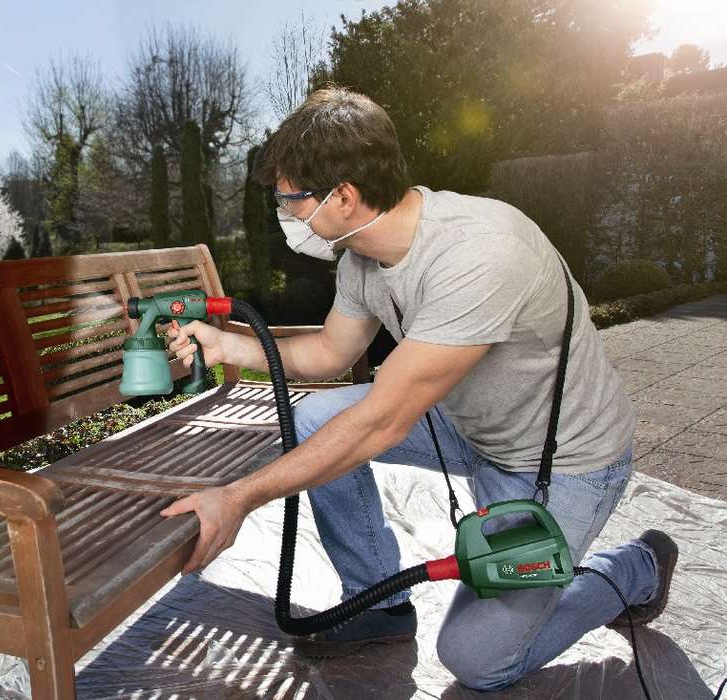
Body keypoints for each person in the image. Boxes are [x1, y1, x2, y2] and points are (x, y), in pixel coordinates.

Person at [158, 87, 678, 691]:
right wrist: (231, 346)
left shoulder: (480, 252)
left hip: (563, 460)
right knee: (314, 418)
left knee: (479, 660)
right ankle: (378, 602)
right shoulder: (361, 260)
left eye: (289, 199)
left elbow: (383, 421)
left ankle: (636, 567)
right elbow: (329, 354)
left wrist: (239, 497)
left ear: (343, 197)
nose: (285, 215)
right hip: (469, 425)